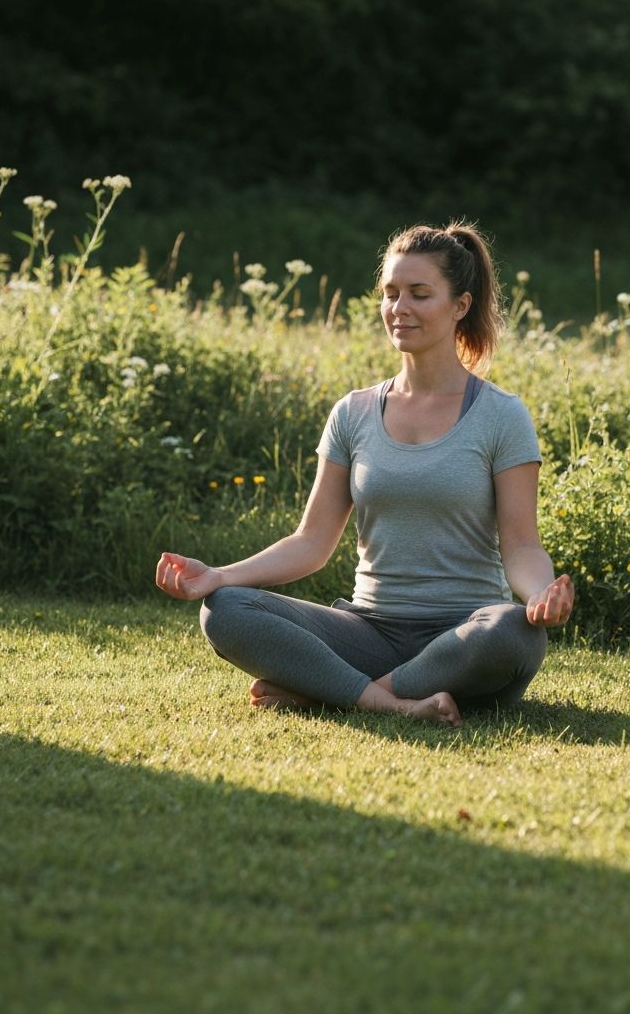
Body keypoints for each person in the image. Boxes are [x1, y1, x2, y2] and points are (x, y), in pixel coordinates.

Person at [155, 221, 574, 727]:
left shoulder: (502, 416)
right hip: (369, 633)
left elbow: (522, 546)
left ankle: (330, 691)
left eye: (420, 294)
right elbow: (311, 541)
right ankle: (395, 700)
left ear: (460, 305)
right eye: (391, 294)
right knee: (225, 610)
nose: (400, 308)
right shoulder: (352, 412)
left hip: (463, 634)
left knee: (513, 632)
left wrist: (540, 596)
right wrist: (219, 576)